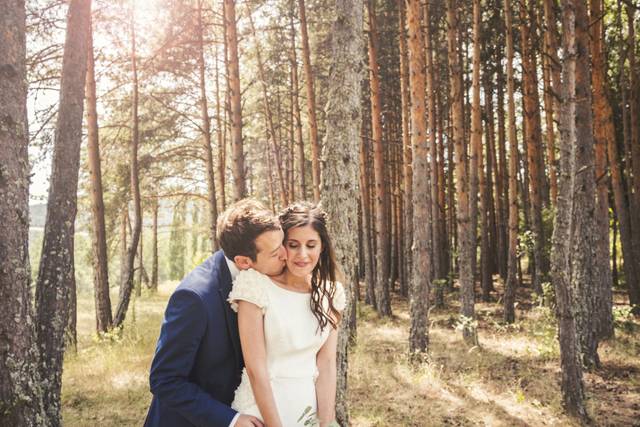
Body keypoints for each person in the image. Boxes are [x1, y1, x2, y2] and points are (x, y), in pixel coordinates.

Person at [144, 199, 286, 427]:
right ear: (244, 262)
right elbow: (165, 380)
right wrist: (231, 420)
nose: (286, 255)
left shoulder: (263, 277)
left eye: (283, 244)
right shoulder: (195, 298)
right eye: (275, 253)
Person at [228, 202, 345, 427]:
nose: (302, 255)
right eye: (293, 245)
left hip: (308, 408)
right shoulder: (255, 285)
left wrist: (326, 422)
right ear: (282, 246)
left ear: (322, 248)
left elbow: (327, 364)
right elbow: (256, 370)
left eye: (311, 245)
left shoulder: (331, 293)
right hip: (261, 412)